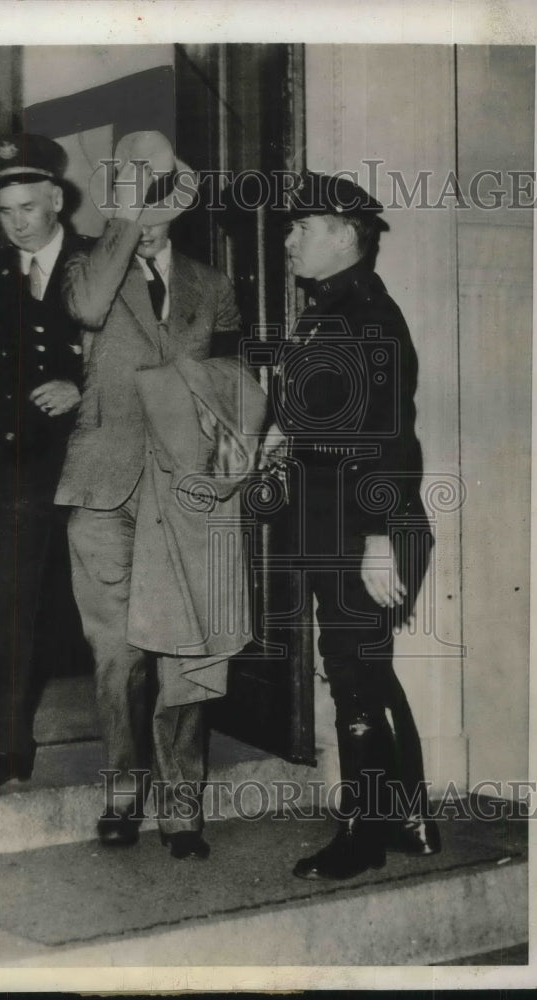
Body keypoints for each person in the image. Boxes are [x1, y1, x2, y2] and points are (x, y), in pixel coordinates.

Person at [55, 131, 264, 859]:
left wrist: (234, 455)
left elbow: (234, 386)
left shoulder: (213, 284)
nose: (151, 206)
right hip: (105, 487)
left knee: (185, 655)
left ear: (178, 202)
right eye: (135, 187)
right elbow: (84, 309)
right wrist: (123, 219)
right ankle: (121, 792)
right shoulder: (91, 267)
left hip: (186, 495)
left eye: (158, 192)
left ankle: (181, 806)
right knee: (117, 656)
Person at [262, 170, 441, 879]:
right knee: (365, 672)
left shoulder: (367, 314)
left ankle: (363, 838)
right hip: (331, 521)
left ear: (345, 236)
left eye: (301, 228)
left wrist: (375, 539)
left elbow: (391, 439)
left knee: (356, 678)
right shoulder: (326, 310)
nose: (289, 239)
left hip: (363, 526)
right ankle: (411, 820)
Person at [0, 134, 86, 794]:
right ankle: (4, 753)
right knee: (9, 609)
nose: (15, 224)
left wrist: (81, 388)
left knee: (108, 617)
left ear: (57, 201)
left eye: (27, 209)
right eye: (5, 211)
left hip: (94, 462)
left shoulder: (97, 264)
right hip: (18, 469)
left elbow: (146, 363)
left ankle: (134, 760)